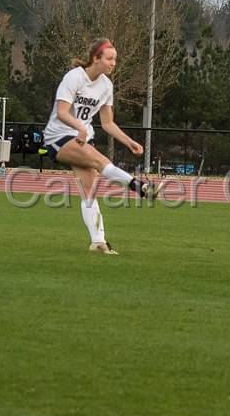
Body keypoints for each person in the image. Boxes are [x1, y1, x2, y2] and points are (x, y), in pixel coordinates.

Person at [42, 38, 156, 255]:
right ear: (96, 58)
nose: (113, 63)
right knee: (100, 161)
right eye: (110, 59)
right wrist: (80, 128)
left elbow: (107, 123)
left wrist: (128, 140)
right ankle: (137, 186)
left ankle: (98, 241)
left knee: (89, 191)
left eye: (115, 59)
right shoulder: (75, 77)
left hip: (82, 138)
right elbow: (62, 112)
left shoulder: (106, 85)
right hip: (58, 137)